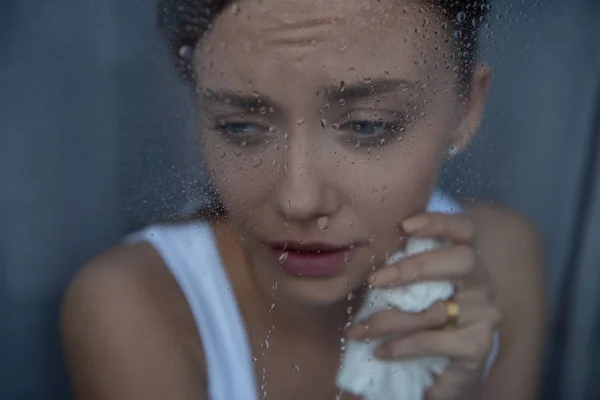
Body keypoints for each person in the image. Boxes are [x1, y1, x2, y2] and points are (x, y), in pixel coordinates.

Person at [60, 0, 546, 399]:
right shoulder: (137, 307)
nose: (299, 200)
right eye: (241, 127)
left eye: (368, 124)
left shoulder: (500, 262)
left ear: (466, 110)